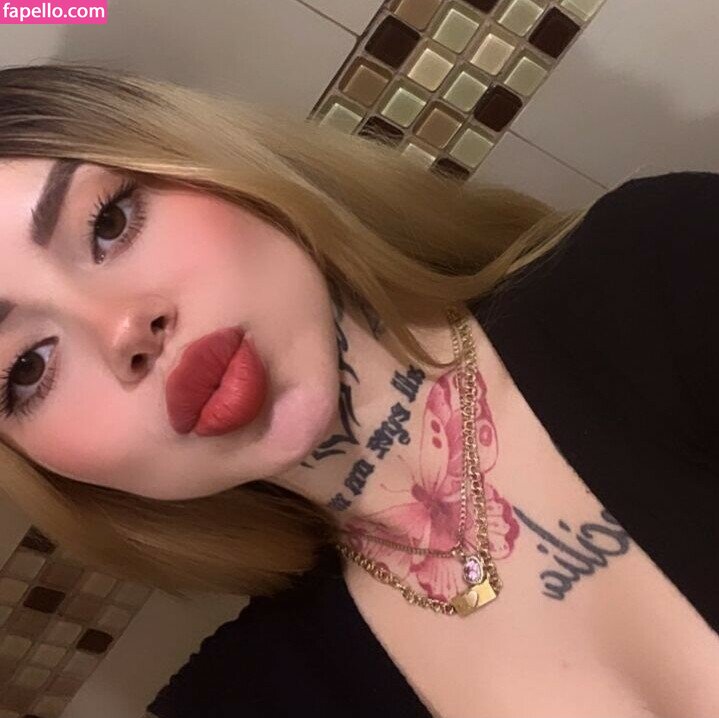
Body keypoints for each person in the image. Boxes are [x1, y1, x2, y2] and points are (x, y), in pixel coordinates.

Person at [0, 63, 716, 718]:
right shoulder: (242, 703)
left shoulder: (663, 273)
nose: (124, 327)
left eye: (108, 222)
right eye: (26, 367)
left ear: (219, 168)